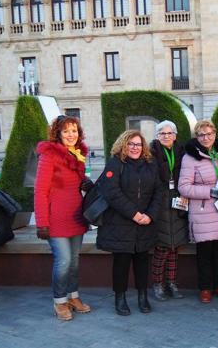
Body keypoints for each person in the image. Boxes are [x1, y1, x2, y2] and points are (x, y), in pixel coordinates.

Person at [96, 130, 163, 316]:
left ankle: (143, 297)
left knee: (142, 262)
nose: (135, 148)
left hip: (145, 223)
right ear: (123, 145)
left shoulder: (151, 164)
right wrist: (134, 214)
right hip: (120, 224)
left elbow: (159, 191)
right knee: (121, 263)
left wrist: (150, 215)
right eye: (131, 144)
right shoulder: (115, 163)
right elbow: (112, 193)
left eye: (139, 144)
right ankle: (120, 298)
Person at [34, 115, 93, 321]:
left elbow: (73, 182)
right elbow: (40, 191)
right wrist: (42, 223)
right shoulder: (49, 156)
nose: (71, 135)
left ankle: (73, 296)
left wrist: (85, 182)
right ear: (58, 133)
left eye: (74, 131)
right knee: (64, 260)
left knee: (74, 261)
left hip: (76, 215)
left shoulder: (77, 154)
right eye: (66, 131)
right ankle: (59, 301)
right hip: (56, 217)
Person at [179, 119, 218, 303]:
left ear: (215, 134)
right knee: (204, 253)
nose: (206, 138)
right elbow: (184, 188)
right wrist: (210, 191)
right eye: (201, 135)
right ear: (197, 136)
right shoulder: (190, 157)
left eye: (209, 134)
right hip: (203, 211)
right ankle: (205, 288)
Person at [149, 120, 188, 301]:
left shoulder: (182, 152)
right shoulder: (150, 153)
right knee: (161, 247)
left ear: (175, 135)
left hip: (178, 200)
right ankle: (158, 284)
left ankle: (171, 283)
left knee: (174, 247)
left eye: (169, 133)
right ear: (157, 136)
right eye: (162, 133)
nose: (166, 136)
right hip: (159, 202)